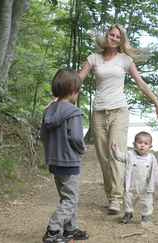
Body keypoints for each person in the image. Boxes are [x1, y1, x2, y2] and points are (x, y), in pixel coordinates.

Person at [78, 24, 158, 215]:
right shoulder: (94, 59)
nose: (115, 38)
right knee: (103, 158)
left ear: (121, 40)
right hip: (99, 113)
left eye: (118, 36)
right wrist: (60, 99)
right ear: (106, 37)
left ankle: (117, 199)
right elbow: (77, 81)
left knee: (115, 154)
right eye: (112, 35)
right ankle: (111, 194)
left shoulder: (125, 60)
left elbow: (141, 84)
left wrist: (157, 104)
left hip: (119, 112)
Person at [40, 67, 89, 242]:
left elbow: (42, 135)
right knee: (71, 199)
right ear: (74, 90)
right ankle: (54, 229)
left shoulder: (48, 111)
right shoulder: (73, 112)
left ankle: (71, 228)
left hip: (54, 162)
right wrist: (81, 149)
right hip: (69, 162)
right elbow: (76, 137)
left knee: (66, 196)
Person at [110, 131, 158, 225]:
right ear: (134, 144)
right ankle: (128, 214)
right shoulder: (130, 155)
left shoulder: (151, 158)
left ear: (150, 146)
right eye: (139, 143)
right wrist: (115, 150)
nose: (142, 145)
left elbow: (156, 172)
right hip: (131, 185)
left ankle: (146, 216)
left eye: (145, 143)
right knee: (128, 200)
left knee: (147, 202)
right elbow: (120, 157)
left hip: (146, 186)